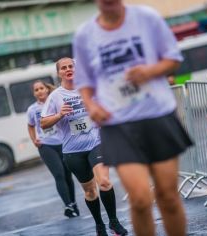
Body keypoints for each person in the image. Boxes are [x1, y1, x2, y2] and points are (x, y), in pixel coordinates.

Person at [72, 1, 193, 236]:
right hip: (117, 124)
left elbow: (173, 58)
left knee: (167, 195)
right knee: (140, 199)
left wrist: (148, 71)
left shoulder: (146, 18)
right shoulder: (84, 35)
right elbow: (84, 83)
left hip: (156, 115)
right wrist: (91, 105)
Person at [40, 57, 127, 236]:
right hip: (73, 152)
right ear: (59, 73)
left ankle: (114, 222)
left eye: (71, 66)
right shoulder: (55, 96)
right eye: (63, 68)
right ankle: (99, 225)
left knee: (104, 181)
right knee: (89, 191)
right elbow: (43, 123)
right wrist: (59, 115)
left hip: (96, 143)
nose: (68, 69)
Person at [27, 80, 78, 218]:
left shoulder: (56, 103)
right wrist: (34, 140)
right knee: (59, 174)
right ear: (34, 93)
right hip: (46, 145)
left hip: (64, 143)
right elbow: (30, 125)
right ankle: (67, 205)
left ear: (47, 90)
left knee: (68, 175)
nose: (39, 91)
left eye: (41, 88)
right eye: (36, 90)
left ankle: (73, 203)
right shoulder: (32, 109)